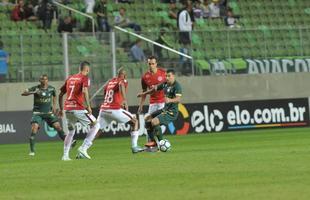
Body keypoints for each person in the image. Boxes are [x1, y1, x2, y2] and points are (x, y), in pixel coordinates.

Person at [58, 61, 100, 161]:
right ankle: (83, 148)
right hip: (78, 108)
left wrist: (60, 109)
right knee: (96, 125)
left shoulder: (70, 78)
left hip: (67, 109)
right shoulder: (84, 78)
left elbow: (60, 94)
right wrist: (88, 106)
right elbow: (84, 91)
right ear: (87, 69)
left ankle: (65, 155)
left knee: (71, 131)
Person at [21, 74, 72, 156]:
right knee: (34, 128)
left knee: (58, 126)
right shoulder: (36, 88)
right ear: (39, 80)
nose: (44, 81)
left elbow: (55, 96)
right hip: (38, 113)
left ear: (47, 80)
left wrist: (54, 107)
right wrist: (33, 92)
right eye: (42, 79)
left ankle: (69, 143)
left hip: (48, 113)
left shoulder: (51, 88)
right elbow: (23, 93)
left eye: (45, 79)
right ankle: (32, 151)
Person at [97, 67, 143, 153]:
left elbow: (105, 94)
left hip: (104, 109)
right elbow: (121, 84)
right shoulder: (123, 81)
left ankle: (83, 148)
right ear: (124, 75)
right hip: (114, 109)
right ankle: (134, 146)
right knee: (135, 121)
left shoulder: (110, 82)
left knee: (97, 130)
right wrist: (125, 100)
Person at [137, 69, 182, 147]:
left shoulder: (177, 86)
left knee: (154, 121)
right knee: (147, 119)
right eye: (166, 76)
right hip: (164, 110)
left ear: (173, 76)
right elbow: (153, 90)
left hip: (171, 112)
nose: (167, 78)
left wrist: (170, 100)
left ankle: (162, 143)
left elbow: (178, 99)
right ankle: (153, 141)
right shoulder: (165, 84)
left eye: (169, 76)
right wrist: (143, 93)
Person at [138, 56, 167, 139]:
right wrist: (141, 105)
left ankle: (160, 142)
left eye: (153, 64)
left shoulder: (163, 73)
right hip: (153, 103)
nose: (151, 65)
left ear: (156, 64)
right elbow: (144, 92)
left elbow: (170, 85)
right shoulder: (145, 77)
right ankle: (151, 144)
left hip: (162, 102)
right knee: (148, 123)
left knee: (155, 123)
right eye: (149, 64)